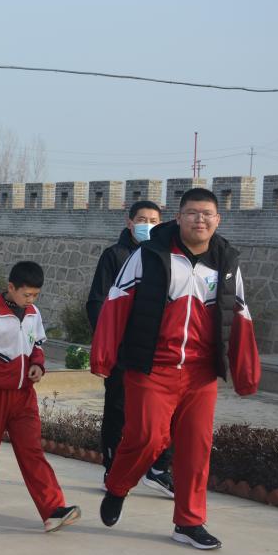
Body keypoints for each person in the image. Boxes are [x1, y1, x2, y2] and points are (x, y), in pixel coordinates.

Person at [93, 188, 260, 550]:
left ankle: (189, 522)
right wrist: (103, 357)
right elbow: (116, 302)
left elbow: (240, 316)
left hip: (201, 373)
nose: (200, 220)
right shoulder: (149, 254)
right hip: (152, 367)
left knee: (196, 448)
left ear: (218, 220)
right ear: (179, 217)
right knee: (147, 437)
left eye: (207, 214)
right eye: (192, 213)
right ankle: (118, 486)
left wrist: (245, 374)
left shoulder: (226, 262)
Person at [0, 261, 81, 532]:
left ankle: (53, 509)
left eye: (35, 295)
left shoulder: (33, 313)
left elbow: (36, 344)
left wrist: (38, 364)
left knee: (32, 450)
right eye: (26, 294)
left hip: (24, 395)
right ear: (11, 287)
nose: (31, 300)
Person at [86, 199, 174, 496]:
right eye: (142, 219)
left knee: (163, 413)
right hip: (123, 351)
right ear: (129, 222)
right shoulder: (116, 255)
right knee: (118, 410)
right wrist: (108, 344)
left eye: (153, 220)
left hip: (157, 352)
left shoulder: (166, 257)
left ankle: (158, 469)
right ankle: (112, 468)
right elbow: (97, 302)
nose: (147, 225)